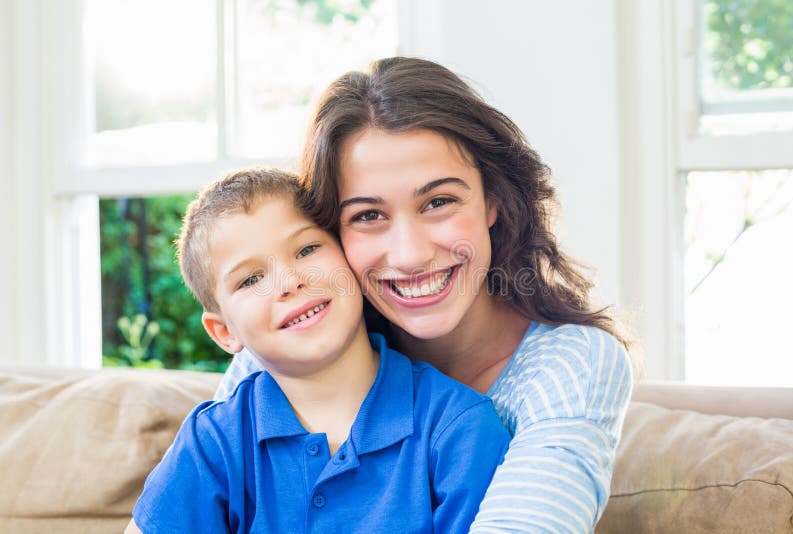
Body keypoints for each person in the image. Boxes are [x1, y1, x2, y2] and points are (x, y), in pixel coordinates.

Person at [217, 57, 636, 533]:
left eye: (439, 202)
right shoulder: (293, 345)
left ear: (492, 200)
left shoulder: (571, 363)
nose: (411, 255)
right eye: (368, 216)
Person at [125, 168, 510, 533]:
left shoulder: (458, 429)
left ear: (351, 257)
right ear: (224, 332)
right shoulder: (214, 442)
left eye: (307, 249)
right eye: (251, 279)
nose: (289, 281)